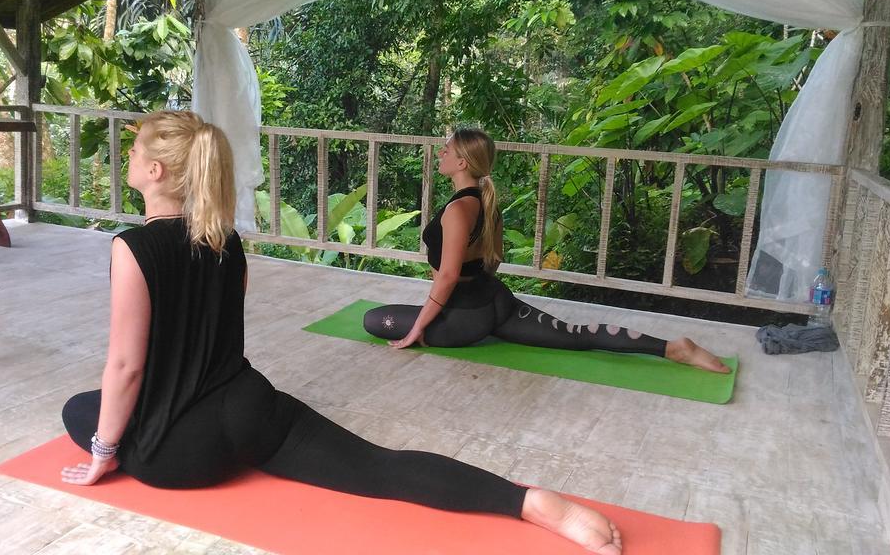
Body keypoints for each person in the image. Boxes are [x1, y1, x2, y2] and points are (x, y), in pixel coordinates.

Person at [59, 111, 622, 555]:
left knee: (81, 410)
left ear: (155, 172)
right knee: (377, 466)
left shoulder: (132, 247)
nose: (128, 158)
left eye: (134, 152)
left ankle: (116, 442)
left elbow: (127, 368)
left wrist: (103, 455)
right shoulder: (225, 240)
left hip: (183, 452)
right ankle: (530, 502)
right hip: (252, 410)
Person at [363, 128, 730, 374]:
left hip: (466, 317)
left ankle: (676, 349)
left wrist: (419, 329)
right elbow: (494, 259)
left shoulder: (459, 209)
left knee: (375, 320)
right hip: (496, 302)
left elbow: (446, 277)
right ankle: (674, 348)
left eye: (448, 150)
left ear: (462, 163)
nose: (440, 153)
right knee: (575, 334)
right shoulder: (485, 201)